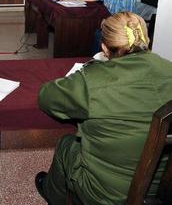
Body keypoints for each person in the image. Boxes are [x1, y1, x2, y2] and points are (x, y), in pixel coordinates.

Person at [35, 12, 172, 205]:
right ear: (146, 40)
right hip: (161, 186)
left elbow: (46, 97)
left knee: (67, 144)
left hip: (105, 193)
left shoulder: (92, 82)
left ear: (104, 48)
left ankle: (52, 194)